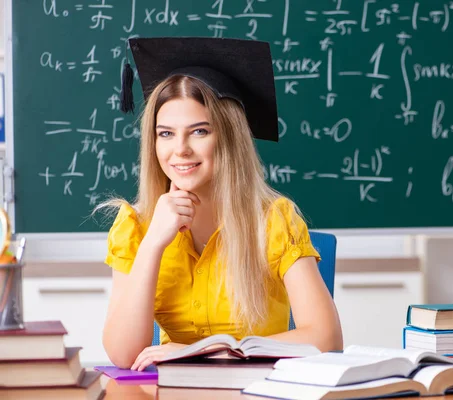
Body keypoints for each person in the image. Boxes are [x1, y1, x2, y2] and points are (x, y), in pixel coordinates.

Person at [100, 37, 343, 371]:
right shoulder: (136, 227)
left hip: (258, 390)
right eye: (166, 134)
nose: (180, 149)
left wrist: (217, 350)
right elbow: (124, 356)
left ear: (228, 137)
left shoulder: (273, 221)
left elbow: (326, 339)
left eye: (199, 131)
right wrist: (154, 242)